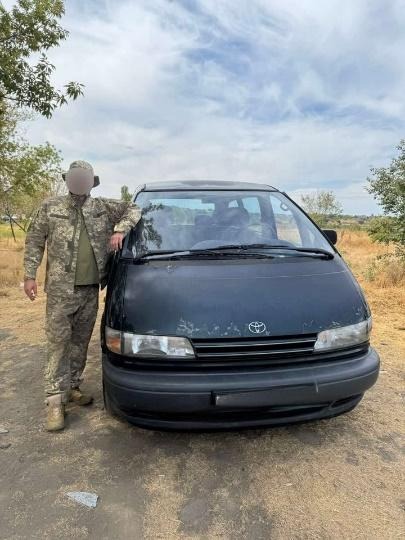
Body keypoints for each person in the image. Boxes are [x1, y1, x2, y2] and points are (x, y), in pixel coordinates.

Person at [23, 160, 141, 431]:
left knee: (80, 342)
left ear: (91, 182)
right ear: (68, 180)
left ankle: (73, 386)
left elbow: (134, 208)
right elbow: (34, 241)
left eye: (84, 178)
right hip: (60, 291)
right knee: (58, 343)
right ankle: (55, 400)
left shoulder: (102, 207)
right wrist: (29, 275)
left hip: (90, 291)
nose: (79, 182)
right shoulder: (50, 207)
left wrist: (120, 229)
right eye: (75, 178)